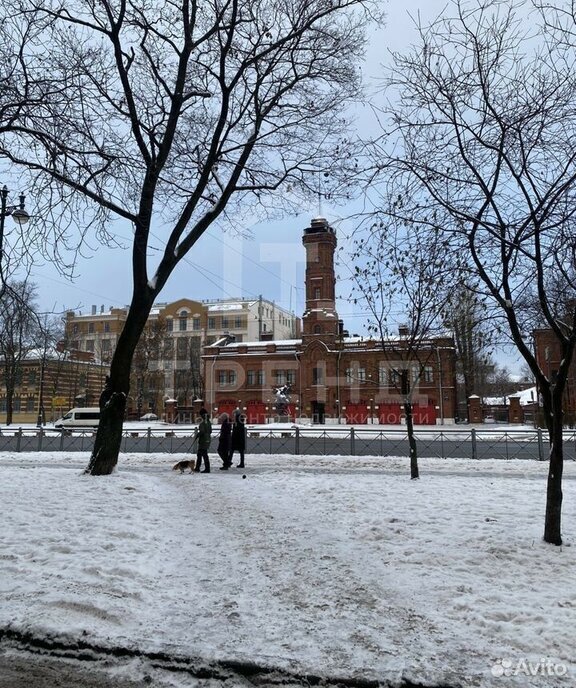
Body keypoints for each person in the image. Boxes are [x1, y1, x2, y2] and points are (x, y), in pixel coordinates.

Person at [194, 407, 212, 473]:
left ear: (202, 415)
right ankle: (197, 467)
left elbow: (202, 431)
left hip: (203, 441)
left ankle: (207, 468)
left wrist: (197, 435)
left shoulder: (202, 422)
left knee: (203, 454)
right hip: (208, 439)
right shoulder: (209, 422)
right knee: (200, 454)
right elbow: (210, 431)